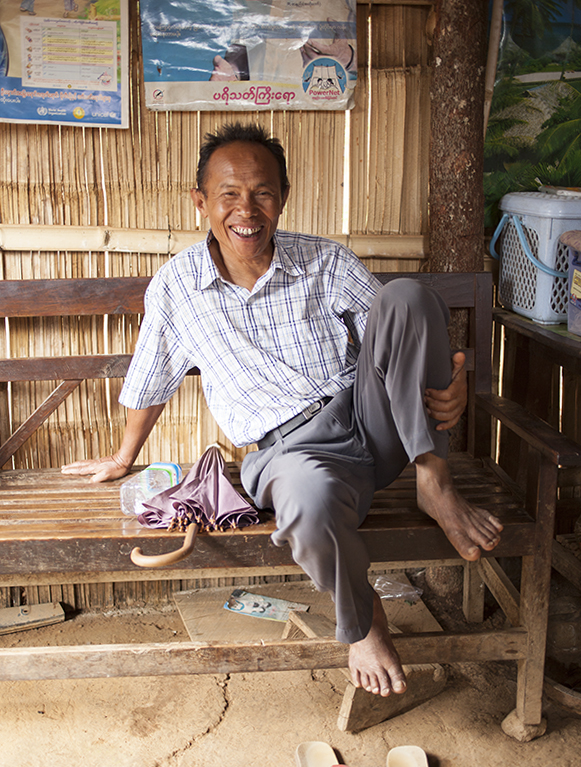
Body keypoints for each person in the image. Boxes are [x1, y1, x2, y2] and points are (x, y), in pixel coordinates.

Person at [62, 123, 503, 697]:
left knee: (410, 295)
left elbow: (402, 337)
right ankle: (364, 624)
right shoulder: (176, 288)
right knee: (308, 503)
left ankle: (434, 482)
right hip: (289, 454)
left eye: (263, 192)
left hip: (374, 420)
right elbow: (151, 379)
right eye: (228, 194)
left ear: (283, 198)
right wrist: (124, 457)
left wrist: (454, 384)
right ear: (201, 202)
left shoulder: (324, 261)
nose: (247, 209)